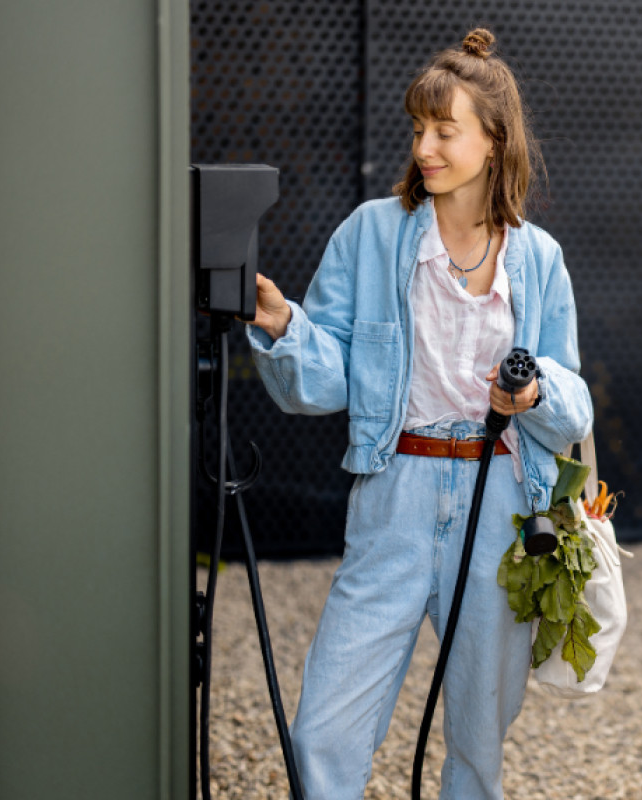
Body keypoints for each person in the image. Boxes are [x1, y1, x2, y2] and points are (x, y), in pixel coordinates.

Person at [244, 28, 592, 800]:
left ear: (494, 141)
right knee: (323, 730)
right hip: (395, 489)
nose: (424, 146)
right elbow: (327, 381)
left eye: (444, 130)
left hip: (499, 501)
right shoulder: (370, 234)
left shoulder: (537, 259)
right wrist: (282, 327)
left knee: (478, 738)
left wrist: (530, 396)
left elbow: (573, 411)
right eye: (417, 129)